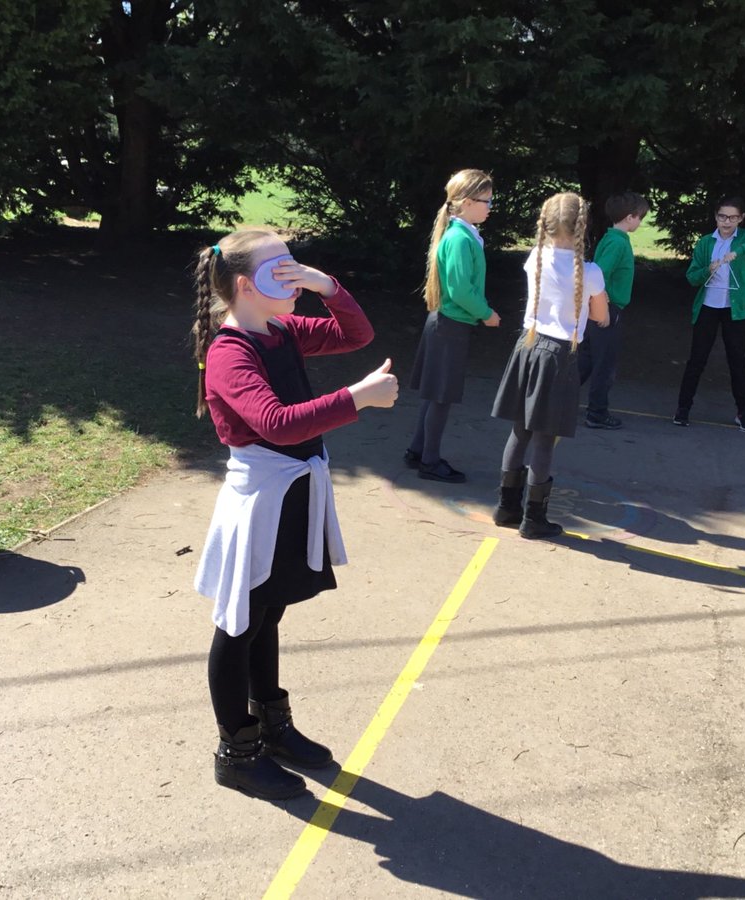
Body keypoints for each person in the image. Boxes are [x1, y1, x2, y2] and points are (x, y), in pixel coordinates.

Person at [191, 228, 398, 800]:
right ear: (244, 285)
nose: (294, 280)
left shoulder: (280, 329)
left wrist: (323, 284)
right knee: (241, 623)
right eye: (280, 272)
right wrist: (357, 398)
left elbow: (355, 333)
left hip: (293, 493)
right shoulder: (231, 352)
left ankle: (272, 727)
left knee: (270, 614)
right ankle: (237, 752)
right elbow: (277, 424)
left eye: (294, 267)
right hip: (260, 501)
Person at [491, 192, 610, 539]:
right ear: (582, 226)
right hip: (559, 355)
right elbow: (601, 315)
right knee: (545, 438)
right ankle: (533, 518)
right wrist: (599, 310)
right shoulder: (590, 271)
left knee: (519, 430)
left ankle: (506, 507)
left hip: (527, 347)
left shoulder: (536, 257)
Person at [405, 169, 501, 483]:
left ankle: (418, 450)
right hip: (449, 326)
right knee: (441, 397)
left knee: (435, 393)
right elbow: (460, 290)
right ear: (468, 202)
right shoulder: (460, 239)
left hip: (446, 324)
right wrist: (486, 313)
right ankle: (430, 461)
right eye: (487, 201)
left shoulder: (463, 234)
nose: (490, 207)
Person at [673, 196, 745, 432]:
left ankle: (743, 412)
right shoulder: (706, 242)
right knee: (697, 359)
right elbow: (692, 277)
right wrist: (706, 270)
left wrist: (739, 251)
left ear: (741, 218)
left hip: (736, 311)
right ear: (715, 217)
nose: (726, 222)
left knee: (737, 361)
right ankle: (682, 408)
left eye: (732, 217)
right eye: (722, 216)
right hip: (708, 307)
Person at [577, 192, 649, 429]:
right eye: (640, 217)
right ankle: (597, 413)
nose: (640, 222)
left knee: (587, 359)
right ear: (630, 217)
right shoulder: (618, 243)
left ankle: (558, 399)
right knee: (604, 364)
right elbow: (600, 273)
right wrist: (604, 303)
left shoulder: (611, 238)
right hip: (607, 310)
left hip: (599, 308)